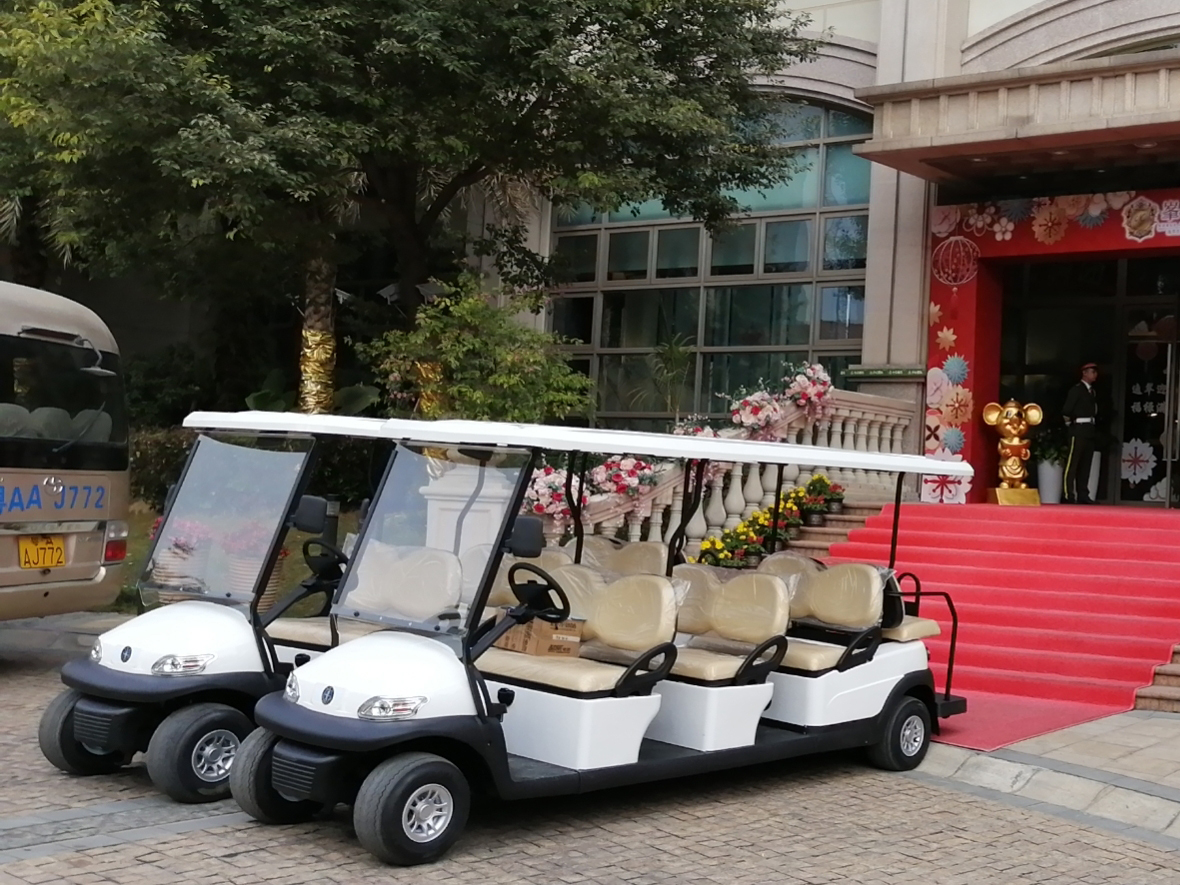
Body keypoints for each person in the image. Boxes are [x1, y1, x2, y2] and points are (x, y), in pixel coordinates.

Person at [1062, 362, 1100, 504]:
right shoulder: (1076, 390)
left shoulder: (1092, 391)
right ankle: (1068, 494)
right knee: (1073, 463)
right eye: (1092, 372)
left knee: (1086, 464)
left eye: (1095, 372)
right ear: (1084, 373)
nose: (1095, 375)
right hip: (1078, 429)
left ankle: (1083, 494)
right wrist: (1070, 425)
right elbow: (1066, 410)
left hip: (1089, 430)